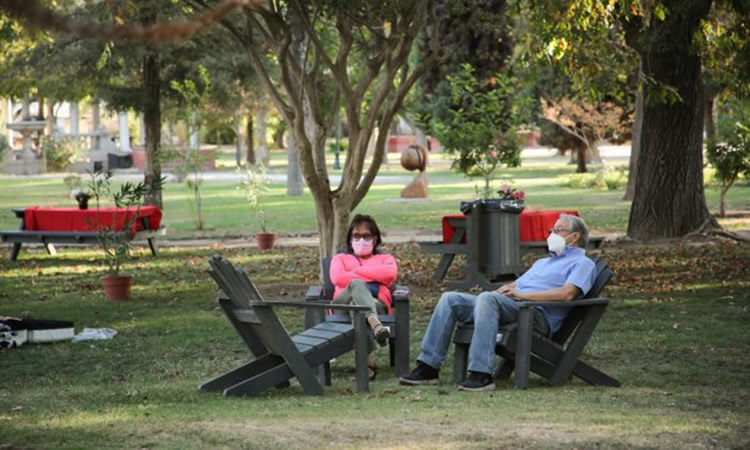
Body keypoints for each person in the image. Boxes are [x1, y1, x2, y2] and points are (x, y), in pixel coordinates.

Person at [399, 213, 596, 391]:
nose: (552, 234)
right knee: (450, 299)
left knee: (488, 298)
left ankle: (481, 374)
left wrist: (522, 296)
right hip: (514, 306)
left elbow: (567, 294)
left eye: (558, 230)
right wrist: (509, 288)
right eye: (552, 230)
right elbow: (519, 284)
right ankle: (427, 368)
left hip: (535, 314)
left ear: (575, 236)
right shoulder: (543, 262)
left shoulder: (582, 263)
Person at [330, 214, 398, 379]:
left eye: (366, 235)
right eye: (356, 236)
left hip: (377, 303)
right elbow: (337, 278)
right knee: (356, 285)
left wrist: (354, 273)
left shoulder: (385, 259)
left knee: (358, 309)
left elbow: (390, 274)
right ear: (350, 238)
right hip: (342, 304)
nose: (361, 240)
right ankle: (375, 324)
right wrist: (371, 277)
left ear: (374, 238)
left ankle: (367, 367)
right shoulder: (340, 258)